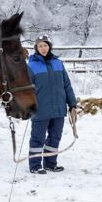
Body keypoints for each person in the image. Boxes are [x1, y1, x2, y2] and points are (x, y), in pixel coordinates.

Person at [26, 35, 77, 175]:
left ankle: (50, 164)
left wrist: (72, 104)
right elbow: (26, 89)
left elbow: (66, 85)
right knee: (38, 138)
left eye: (45, 45)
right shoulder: (31, 66)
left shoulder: (58, 63)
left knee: (55, 137)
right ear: (36, 48)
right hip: (40, 109)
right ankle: (35, 166)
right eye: (40, 46)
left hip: (59, 109)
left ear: (49, 46)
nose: (43, 48)